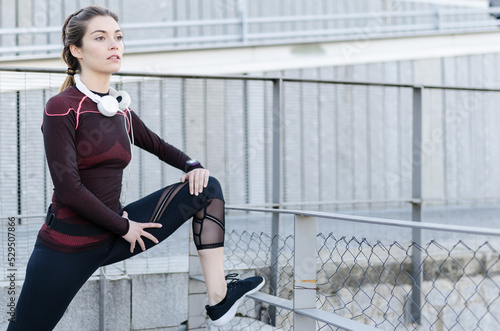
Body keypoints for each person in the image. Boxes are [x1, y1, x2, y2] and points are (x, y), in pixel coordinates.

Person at [7, 6, 264, 330]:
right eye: (100, 38)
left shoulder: (119, 109)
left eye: (118, 37)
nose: (114, 44)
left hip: (116, 232)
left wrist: (194, 166)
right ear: (77, 50)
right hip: (69, 246)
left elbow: (157, 144)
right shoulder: (61, 107)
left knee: (208, 188)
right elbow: (68, 188)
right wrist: (123, 226)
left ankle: (219, 298)